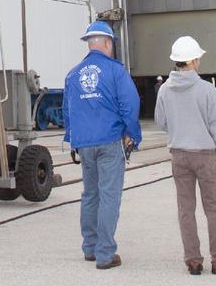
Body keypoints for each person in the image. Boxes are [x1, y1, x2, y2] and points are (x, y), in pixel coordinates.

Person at [64, 21, 142, 270]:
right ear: (108, 44)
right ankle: (105, 253)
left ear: (90, 44)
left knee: (90, 194)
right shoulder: (116, 71)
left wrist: (73, 140)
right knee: (109, 195)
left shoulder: (73, 74)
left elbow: (67, 111)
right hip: (109, 141)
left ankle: (90, 247)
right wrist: (133, 134)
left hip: (85, 143)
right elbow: (130, 104)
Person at [156, 36, 216, 276]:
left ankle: (192, 260)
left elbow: (161, 122)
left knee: (185, 208)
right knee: (214, 208)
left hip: (179, 155)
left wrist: (180, 128)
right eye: (198, 57)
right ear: (191, 61)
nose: (200, 60)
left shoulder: (164, 90)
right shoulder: (206, 89)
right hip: (205, 155)